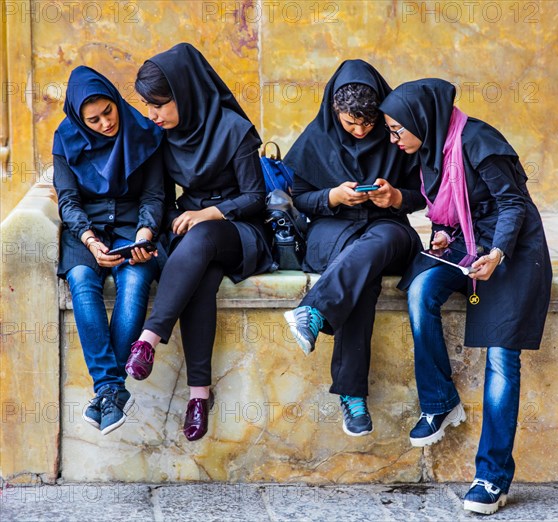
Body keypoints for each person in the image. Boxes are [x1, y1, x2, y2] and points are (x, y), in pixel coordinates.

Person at [380, 79, 552, 515]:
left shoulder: (478, 140)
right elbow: (448, 201)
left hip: (512, 249)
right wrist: (442, 233)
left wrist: (496, 254)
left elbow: (513, 204)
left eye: (397, 129)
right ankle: (439, 400)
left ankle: (492, 477)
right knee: (420, 289)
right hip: (467, 244)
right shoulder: (431, 149)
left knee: (500, 356)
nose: (393, 138)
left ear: (421, 120)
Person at [125, 43, 273, 442]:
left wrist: (207, 213)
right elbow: (159, 197)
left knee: (204, 236)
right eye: (147, 105)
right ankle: (198, 396)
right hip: (189, 235)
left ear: (185, 93)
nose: (152, 114)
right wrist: (160, 226)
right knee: (201, 283)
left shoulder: (233, 130)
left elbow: (255, 197)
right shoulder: (163, 135)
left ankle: (148, 339)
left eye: (159, 104)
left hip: (239, 230)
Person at [283, 60, 425, 437]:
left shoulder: (396, 134)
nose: (361, 131)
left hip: (385, 227)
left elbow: (421, 195)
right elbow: (300, 199)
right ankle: (352, 394)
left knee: (384, 243)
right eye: (351, 124)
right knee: (364, 274)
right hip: (333, 230)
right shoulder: (316, 138)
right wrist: (333, 195)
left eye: (369, 122)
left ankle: (313, 310)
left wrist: (395, 196)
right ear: (335, 110)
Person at [53, 66, 165, 435]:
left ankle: (106, 391)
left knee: (133, 284)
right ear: (78, 119)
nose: (104, 123)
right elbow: (68, 200)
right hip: (85, 231)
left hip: (134, 228)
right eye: (93, 119)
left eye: (108, 112)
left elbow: (153, 195)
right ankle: (113, 389)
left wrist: (146, 233)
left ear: (116, 102)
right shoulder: (65, 139)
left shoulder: (145, 133)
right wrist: (89, 240)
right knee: (83, 279)